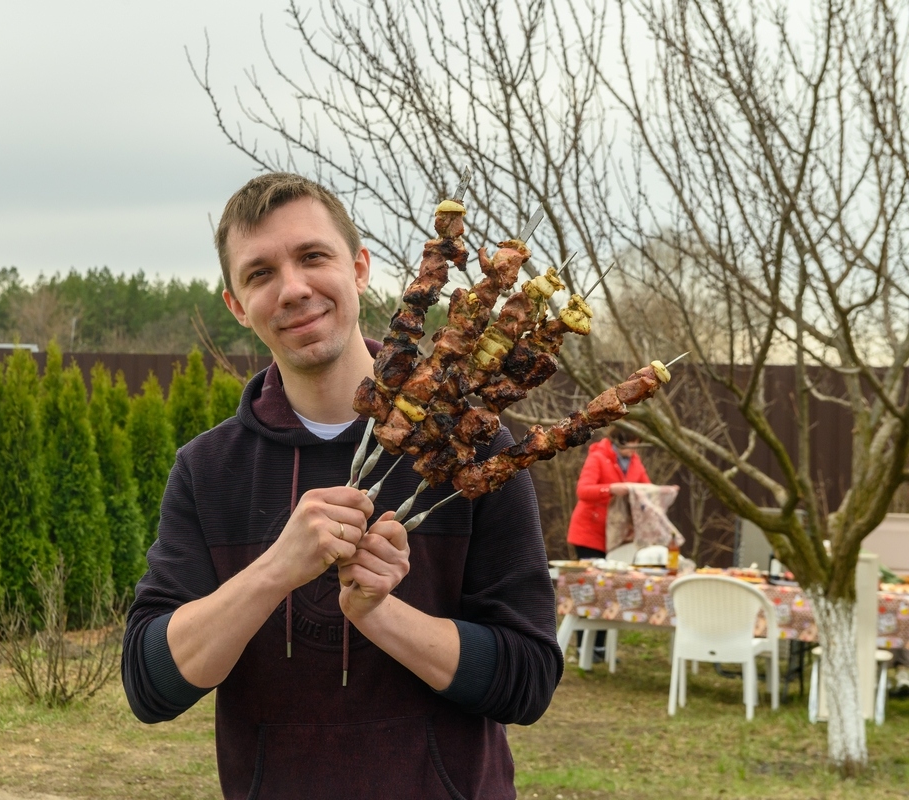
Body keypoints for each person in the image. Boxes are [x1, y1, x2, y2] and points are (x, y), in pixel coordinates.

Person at [121, 173, 562, 798]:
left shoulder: (473, 445)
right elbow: (149, 685)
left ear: (359, 267)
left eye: (312, 257)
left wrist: (381, 615)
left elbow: (529, 680)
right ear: (237, 307)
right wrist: (274, 570)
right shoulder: (208, 469)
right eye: (260, 273)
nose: (293, 289)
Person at [566, 425, 651, 561]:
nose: (635, 448)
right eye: (632, 443)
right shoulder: (598, 458)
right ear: (620, 441)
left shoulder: (635, 462)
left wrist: (662, 492)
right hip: (590, 534)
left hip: (617, 535)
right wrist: (610, 489)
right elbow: (583, 491)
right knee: (594, 578)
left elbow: (647, 489)